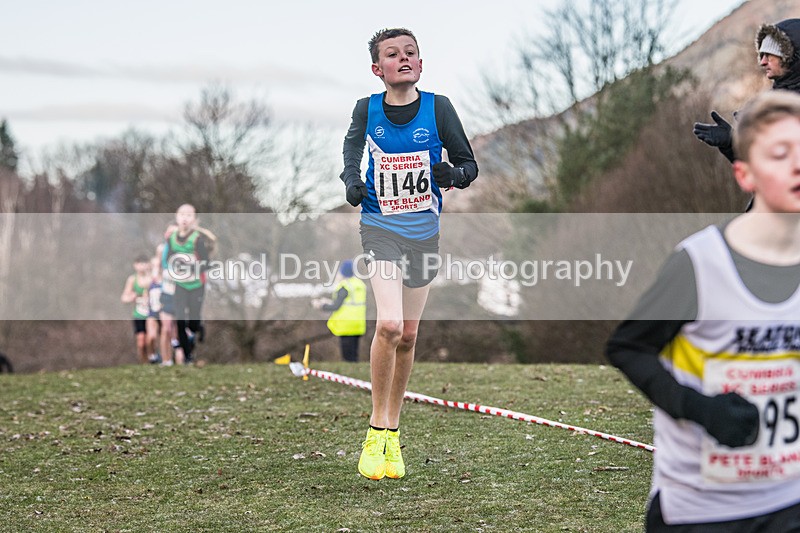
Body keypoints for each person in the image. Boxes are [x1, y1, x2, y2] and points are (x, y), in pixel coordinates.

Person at [607, 90, 800, 531]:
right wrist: (700, 408)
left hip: (791, 499)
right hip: (704, 509)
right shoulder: (699, 262)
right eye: (780, 153)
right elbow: (626, 349)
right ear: (744, 175)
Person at [340, 28, 478, 480]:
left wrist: (451, 175)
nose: (403, 59)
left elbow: (469, 165)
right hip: (380, 226)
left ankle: (394, 434)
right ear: (377, 69)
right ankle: (375, 428)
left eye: (410, 53)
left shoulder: (439, 108)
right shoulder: (368, 109)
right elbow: (352, 149)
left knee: (410, 336)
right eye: (392, 54)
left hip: (424, 233)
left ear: (421, 63)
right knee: (390, 325)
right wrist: (351, 181)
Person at [693, 19, 800, 163]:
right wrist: (733, 145)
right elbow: (765, 168)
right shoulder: (767, 104)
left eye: (769, 54)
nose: (762, 62)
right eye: (761, 55)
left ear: (792, 56)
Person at [162, 205, 215, 364]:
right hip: (180, 285)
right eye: (182, 215)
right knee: (179, 320)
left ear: (194, 219)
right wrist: (173, 267)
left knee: (192, 321)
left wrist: (190, 267)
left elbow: (207, 264)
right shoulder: (172, 239)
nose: (185, 218)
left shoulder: (197, 239)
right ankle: (187, 356)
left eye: (189, 215)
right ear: (176, 217)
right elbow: (167, 260)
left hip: (197, 285)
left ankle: (198, 327)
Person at [312, 259, 367, 362]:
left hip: (346, 325)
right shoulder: (359, 284)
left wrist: (321, 305)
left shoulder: (344, 287)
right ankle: (354, 373)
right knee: (354, 354)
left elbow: (336, 306)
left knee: (347, 357)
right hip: (358, 324)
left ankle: (350, 375)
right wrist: (328, 301)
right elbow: (348, 303)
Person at [120, 254, 154, 364]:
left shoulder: (153, 278)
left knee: (151, 339)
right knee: (141, 341)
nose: (142, 266)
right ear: (135, 265)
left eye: (144, 263)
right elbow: (124, 297)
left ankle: (152, 358)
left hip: (152, 313)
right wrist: (132, 296)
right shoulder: (132, 279)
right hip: (139, 314)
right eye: (140, 264)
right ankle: (144, 363)